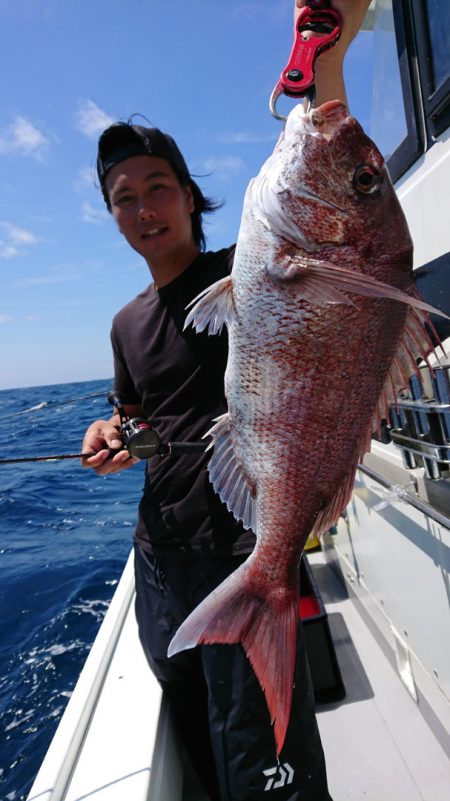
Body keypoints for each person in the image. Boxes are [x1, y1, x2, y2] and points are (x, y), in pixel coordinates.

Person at [82, 3, 372, 799]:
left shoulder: (254, 267)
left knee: (265, 763)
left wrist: (329, 50)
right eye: (122, 198)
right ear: (111, 217)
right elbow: (134, 415)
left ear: (189, 195)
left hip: (243, 550)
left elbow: (332, 190)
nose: (143, 209)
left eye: (157, 188)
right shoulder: (125, 324)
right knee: (203, 758)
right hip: (160, 565)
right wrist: (112, 429)